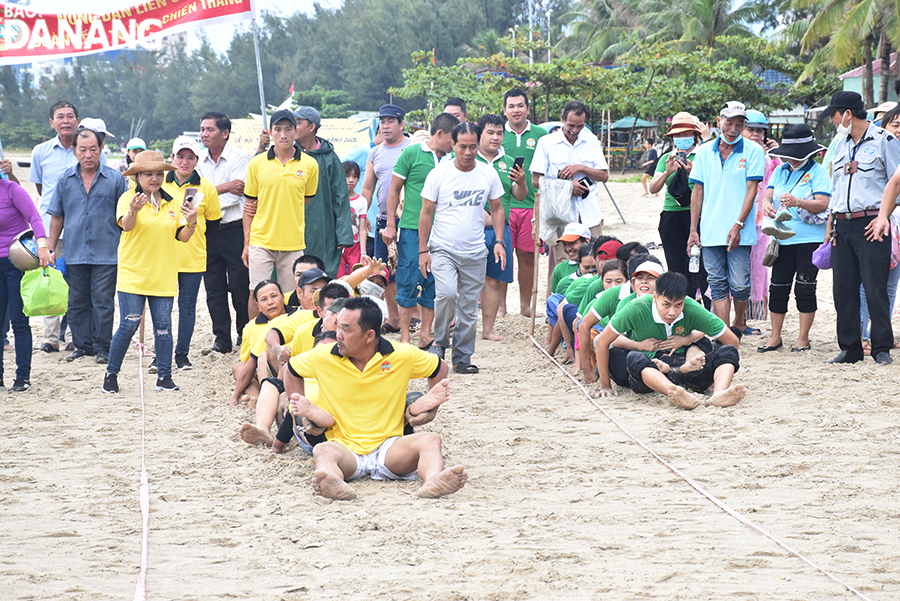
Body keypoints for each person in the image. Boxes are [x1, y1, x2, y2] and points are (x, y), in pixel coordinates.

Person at [285, 296, 465, 500]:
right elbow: (290, 370)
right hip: (344, 448)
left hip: (390, 446)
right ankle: (334, 482)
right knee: (323, 450)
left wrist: (431, 411)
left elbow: (439, 367)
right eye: (338, 328)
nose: (338, 335)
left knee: (431, 439)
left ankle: (433, 480)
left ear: (369, 335)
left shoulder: (401, 355)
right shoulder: (322, 356)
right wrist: (298, 411)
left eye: (346, 329)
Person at [102, 151, 198, 394]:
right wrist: (133, 210)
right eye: (148, 174)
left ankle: (164, 377)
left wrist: (193, 222)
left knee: (164, 328)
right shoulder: (127, 198)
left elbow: (183, 237)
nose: (154, 178)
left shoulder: (172, 202)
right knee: (128, 324)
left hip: (163, 274)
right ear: (137, 176)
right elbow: (126, 226)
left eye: (158, 173)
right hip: (133, 274)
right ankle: (111, 374)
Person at [419, 122, 506, 374]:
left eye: (472, 147)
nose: (468, 152)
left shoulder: (488, 173)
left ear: (478, 145)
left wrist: (499, 241)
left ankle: (463, 356)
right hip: (443, 248)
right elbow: (426, 212)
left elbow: (497, 208)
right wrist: (423, 250)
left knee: (469, 306)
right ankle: (439, 342)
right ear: (452, 145)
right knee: (445, 294)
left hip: (476, 251)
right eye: (462, 147)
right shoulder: (439, 173)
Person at [590, 272, 746, 409]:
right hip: (648, 374)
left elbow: (731, 341)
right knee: (631, 357)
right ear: (655, 297)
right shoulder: (635, 308)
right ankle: (672, 391)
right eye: (666, 305)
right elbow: (603, 341)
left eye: (679, 305)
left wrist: (714, 379)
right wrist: (605, 386)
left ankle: (718, 394)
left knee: (727, 351)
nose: (672, 312)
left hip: (686, 370)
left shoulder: (692, 308)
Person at [829, 90, 900, 364]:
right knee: (843, 290)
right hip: (842, 224)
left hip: (872, 223)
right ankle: (850, 348)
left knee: (875, 287)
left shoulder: (885, 141)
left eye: (835, 115)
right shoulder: (840, 144)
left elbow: (896, 185)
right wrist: (831, 227)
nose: (834, 121)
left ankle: (881, 347)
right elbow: (836, 188)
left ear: (848, 114)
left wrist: (883, 216)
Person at [47, 128, 128, 364]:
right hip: (74, 252)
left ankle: (103, 347)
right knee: (77, 302)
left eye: (93, 149)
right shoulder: (65, 179)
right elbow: (57, 217)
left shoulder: (115, 179)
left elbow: (124, 218)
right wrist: (51, 249)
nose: (88, 155)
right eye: (83, 150)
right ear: (74, 151)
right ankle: (82, 345)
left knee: (103, 302)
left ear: (101, 150)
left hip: (107, 254)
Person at [30, 101, 104, 352]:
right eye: (60, 116)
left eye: (70, 116)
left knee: (76, 285)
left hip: (80, 230)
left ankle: (74, 336)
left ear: (77, 120)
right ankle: (50, 337)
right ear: (51, 122)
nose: (65, 121)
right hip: (50, 226)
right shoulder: (40, 151)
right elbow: (41, 188)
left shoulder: (85, 149)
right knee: (50, 278)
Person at [687, 101, 765, 336]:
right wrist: (693, 229)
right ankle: (724, 331)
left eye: (739, 124)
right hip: (710, 229)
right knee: (717, 282)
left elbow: (752, 190)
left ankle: (739, 322)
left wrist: (739, 224)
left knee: (740, 283)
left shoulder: (753, 150)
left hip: (740, 230)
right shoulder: (703, 151)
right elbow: (697, 191)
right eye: (729, 122)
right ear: (719, 121)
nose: (733, 128)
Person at [383, 112, 459, 348]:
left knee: (434, 281)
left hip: (443, 230)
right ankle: (405, 335)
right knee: (407, 278)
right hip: (411, 229)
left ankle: (426, 332)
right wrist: (390, 224)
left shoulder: (451, 161)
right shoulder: (411, 153)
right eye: (452, 139)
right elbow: (393, 190)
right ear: (440, 134)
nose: (454, 144)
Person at [756, 125, 830, 353]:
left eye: (796, 156)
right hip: (781, 238)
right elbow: (767, 195)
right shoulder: (780, 171)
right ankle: (775, 337)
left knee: (805, 288)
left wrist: (798, 202)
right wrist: (767, 205)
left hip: (809, 239)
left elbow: (823, 203)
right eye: (788, 155)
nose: (792, 159)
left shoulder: (818, 172)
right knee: (778, 287)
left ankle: (802, 338)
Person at [243, 109, 319, 319]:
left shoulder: (310, 164)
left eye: (288, 129)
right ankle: (253, 340)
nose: (283, 134)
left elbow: (306, 198)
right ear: (271, 132)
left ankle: (287, 338)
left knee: (292, 296)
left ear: (296, 132)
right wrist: (247, 243)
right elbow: (249, 206)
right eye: (278, 129)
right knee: (256, 293)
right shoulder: (256, 163)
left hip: (293, 242)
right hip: (261, 240)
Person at [160, 136, 222, 371]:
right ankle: (161, 354)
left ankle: (181, 354)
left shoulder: (206, 188)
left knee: (187, 307)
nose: (184, 162)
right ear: (172, 157)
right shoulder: (160, 183)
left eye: (190, 157)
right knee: (162, 308)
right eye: (180, 156)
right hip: (163, 255)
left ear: (197, 160)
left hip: (193, 257)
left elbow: (215, 223)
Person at [530, 100, 610, 281]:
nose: (574, 130)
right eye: (571, 125)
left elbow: (604, 176)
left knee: (595, 262)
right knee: (565, 265)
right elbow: (536, 181)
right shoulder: (546, 143)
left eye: (580, 126)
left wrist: (580, 168)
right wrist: (567, 187)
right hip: (560, 215)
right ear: (562, 120)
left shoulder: (591, 141)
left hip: (589, 213)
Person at [198, 111, 251, 355]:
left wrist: (209, 194)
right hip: (207, 231)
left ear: (225, 133)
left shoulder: (240, 157)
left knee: (240, 285)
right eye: (202, 129)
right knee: (214, 288)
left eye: (210, 130)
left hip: (235, 230)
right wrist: (222, 187)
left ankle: (244, 333)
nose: (204, 134)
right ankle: (221, 339)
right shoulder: (197, 159)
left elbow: (235, 196)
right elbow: (192, 197)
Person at [648, 112, 708, 306]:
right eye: (677, 135)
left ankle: (703, 307)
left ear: (695, 134)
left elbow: (713, 186)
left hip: (698, 215)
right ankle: (681, 306)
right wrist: (667, 171)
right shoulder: (667, 157)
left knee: (701, 267)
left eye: (686, 134)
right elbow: (653, 188)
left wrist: (693, 172)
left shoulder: (703, 155)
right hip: (671, 215)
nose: (682, 139)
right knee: (675, 266)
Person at [476, 114, 528, 341]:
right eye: (490, 132)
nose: (495, 138)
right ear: (479, 134)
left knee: (493, 280)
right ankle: (458, 324)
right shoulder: (468, 160)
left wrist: (521, 182)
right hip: (471, 229)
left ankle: (488, 329)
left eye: (499, 133)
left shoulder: (506, 161)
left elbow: (518, 196)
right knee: (464, 278)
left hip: (500, 229)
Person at [361, 104, 411, 332]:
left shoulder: (413, 148)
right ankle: (394, 318)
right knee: (385, 270)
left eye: (391, 121)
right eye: (382, 121)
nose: (386, 125)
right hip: (383, 220)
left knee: (411, 268)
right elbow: (368, 189)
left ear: (402, 124)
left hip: (409, 218)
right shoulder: (375, 152)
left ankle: (414, 316)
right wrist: (362, 214)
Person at [1, 178, 51, 391]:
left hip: (16, 262)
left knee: (19, 322)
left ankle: (23, 377)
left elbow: (34, 217)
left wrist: (42, 246)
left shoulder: (11, 190)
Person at [502, 88, 548, 317]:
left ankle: (525, 306)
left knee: (527, 257)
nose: (516, 110)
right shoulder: (496, 134)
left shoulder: (540, 134)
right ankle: (500, 306)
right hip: (503, 207)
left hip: (532, 206)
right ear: (504, 110)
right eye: (511, 106)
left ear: (528, 109)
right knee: (501, 257)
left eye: (520, 105)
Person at [293, 106, 353, 278]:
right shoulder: (288, 153)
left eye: (297, 123)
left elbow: (340, 196)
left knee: (320, 273)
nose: (293, 127)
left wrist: (343, 234)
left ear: (312, 127)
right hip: (292, 223)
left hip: (323, 225)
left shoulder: (329, 157)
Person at [742, 109, 782, 329]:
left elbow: (776, 180)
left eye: (760, 130)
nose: (756, 134)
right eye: (751, 129)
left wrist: (776, 156)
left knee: (758, 268)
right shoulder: (735, 153)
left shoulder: (767, 157)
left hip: (760, 221)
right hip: (737, 218)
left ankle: (745, 319)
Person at [339, 161, 368, 277]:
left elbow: (362, 229)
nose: (351, 180)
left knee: (356, 277)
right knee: (338, 279)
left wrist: (363, 252)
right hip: (338, 245)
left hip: (355, 245)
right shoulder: (334, 199)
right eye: (347, 176)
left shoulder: (361, 201)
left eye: (355, 176)